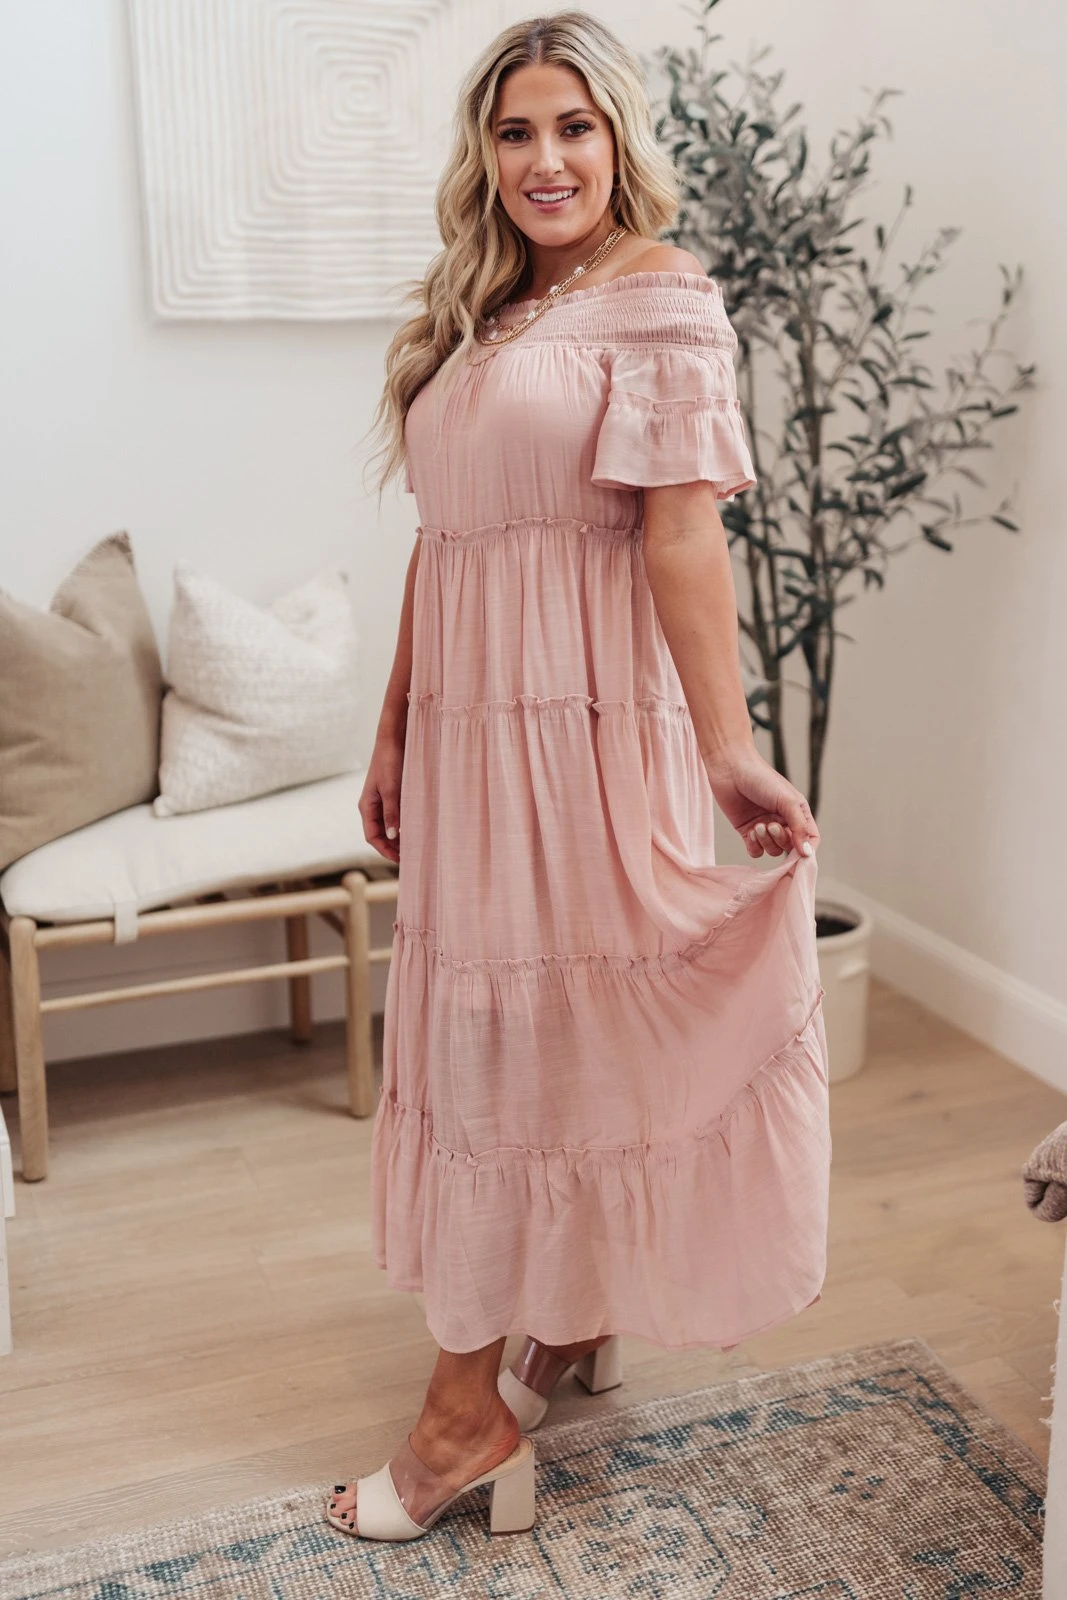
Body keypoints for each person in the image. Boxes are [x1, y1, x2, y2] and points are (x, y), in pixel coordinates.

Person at [325, 9, 830, 1543]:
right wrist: (395, 722)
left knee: (529, 1042)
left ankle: (459, 1421)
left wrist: (727, 743)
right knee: (520, 1030)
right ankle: (565, 1321)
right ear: (483, 154)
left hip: (589, 733)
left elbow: (682, 532)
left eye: (573, 127)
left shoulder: (659, 297)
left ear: (617, 140)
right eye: (514, 131)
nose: (544, 159)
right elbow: (445, 544)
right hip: (472, 733)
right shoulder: (484, 310)